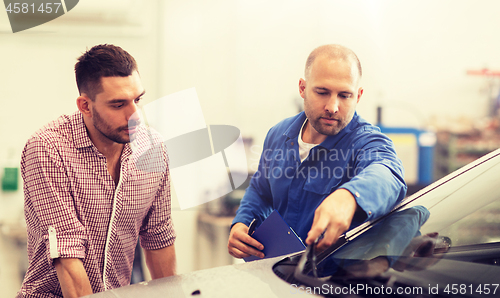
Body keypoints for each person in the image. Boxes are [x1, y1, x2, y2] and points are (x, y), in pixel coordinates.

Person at [17, 44, 176, 298]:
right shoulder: (49, 149)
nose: (134, 115)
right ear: (85, 106)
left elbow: (159, 238)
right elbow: (68, 257)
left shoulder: (152, 148)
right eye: (118, 105)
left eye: (137, 100)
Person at [228, 44, 407, 259]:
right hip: (277, 274)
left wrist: (349, 196)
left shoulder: (365, 141)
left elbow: (388, 173)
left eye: (344, 95)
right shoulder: (278, 135)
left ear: (358, 96)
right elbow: (260, 190)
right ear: (303, 88)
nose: (332, 106)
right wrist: (242, 222)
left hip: (330, 283)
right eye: (322, 92)